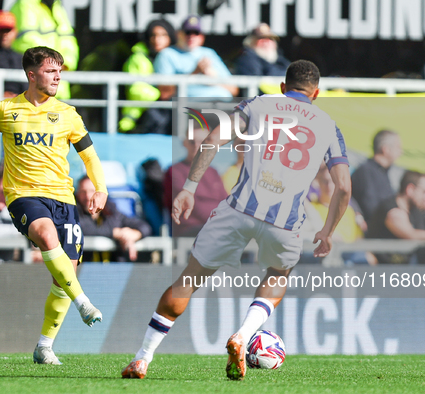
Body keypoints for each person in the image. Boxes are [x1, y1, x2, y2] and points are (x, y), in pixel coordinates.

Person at [122, 60, 351, 380]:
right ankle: (243, 335)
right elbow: (343, 186)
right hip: (284, 222)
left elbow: (213, 139)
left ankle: (142, 358)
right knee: (277, 275)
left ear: (282, 88)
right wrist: (327, 230)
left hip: (239, 208)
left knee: (189, 279)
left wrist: (189, 188)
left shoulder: (259, 104)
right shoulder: (328, 125)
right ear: (317, 93)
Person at [0, 46, 108, 365]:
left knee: (63, 275)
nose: (57, 76)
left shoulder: (68, 114)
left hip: (64, 199)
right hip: (23, 195)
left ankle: (44, 346)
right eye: (51, 71)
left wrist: (100, 188)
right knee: (46, 237)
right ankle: (83, 302)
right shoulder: (5, 110)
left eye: (59, 71)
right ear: (32, 74)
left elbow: (89, 155)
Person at [163, 125, 228, 237]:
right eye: (192, 141)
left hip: (216, 225)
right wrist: (223, 222)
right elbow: (192, 206)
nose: (197, 145)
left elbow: (225, 201)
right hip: (191, 229)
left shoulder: (213, 171)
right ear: (184, 143)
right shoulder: (175, 171)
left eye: (203, 142)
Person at [154, 14, 239, 99]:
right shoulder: (167, 54)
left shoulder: (209, 53)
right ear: (179, 34)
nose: (191, 37)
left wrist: (214, 79)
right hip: (188, 108)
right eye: (188, 32)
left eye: (196, 33)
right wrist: (194, 74)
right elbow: (165, 94)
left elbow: (234, 90)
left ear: (202, 37)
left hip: (220, 106)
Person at [10, 0, 79, 100]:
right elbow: (26, 41)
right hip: (35, 91)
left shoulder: (57, 7)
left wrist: (66, 64)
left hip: (59, 92)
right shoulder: (25, 4)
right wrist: (52, 63)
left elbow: (69, 41)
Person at [119, 19, 176, 133]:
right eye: (153, 35)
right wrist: (162, 95)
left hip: (168, 117)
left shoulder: (176, 58)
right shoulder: (137, 58)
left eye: (163, 35)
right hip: (138, 121)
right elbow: (135, 89)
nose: (157, 40)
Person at [76, 176, 152, 262]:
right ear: (77, 194)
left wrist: (134, 234)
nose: (87, 196)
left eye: (92, 191)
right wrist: (116, 233)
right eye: (83, 191)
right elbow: (82, 229)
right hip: (81, 271)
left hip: (114, 272)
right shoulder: (71, 213)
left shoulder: (111, 212)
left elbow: (144, 226)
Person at [351, 129, 402, 225]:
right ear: (386, 149)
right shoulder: (365, 171)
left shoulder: (382, 172)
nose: (401, 152)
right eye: (398, 147)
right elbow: (370, 208)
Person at [0, 10, 28, 97]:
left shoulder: (21, 58)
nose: (4, 34)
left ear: (15, 32)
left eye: (8, 30)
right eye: (1, 30)